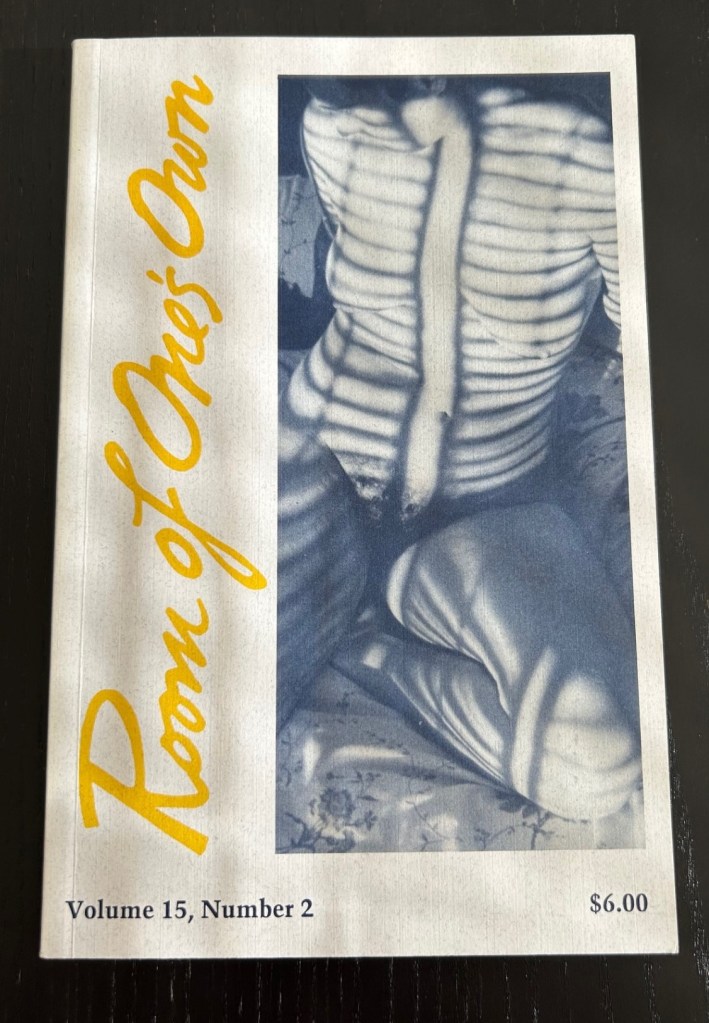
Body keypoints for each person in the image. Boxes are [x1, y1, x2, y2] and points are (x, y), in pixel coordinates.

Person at [278, 76, 641, 822]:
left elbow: (644, 337)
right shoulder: (336, 119)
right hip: (323, 462)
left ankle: (368, 653)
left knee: (599, 770)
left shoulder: (590, 156)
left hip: (484, 511)